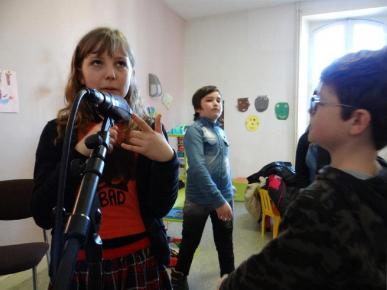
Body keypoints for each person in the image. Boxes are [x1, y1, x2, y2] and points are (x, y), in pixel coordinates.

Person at [218, 47, 387, 290]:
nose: (310, 109)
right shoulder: (380, 177)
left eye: (318, 101)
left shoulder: (320, 204)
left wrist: (226, 284)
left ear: (357, 120)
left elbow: (267, 273)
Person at [31, 27, 179, 290]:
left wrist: (167, 159)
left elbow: (159, 208)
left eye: (121, 64)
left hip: (142, 257)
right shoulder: (58, 132)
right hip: (79, 264)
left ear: (132, 73)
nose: (111, 74)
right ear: (80, 71)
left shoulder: (147, 131)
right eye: (97, 62)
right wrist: (77, 154)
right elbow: (43, 213)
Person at [171, 85, 235, 290]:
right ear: (198, 107)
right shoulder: (194, 130)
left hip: (224, 196)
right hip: (199, 199)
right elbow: (197, 168)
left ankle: (229, 281)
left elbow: (222, 163)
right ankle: (179, 277)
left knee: (225, 243)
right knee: (190, 242)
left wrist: (228, 186)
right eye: (210, 99)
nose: (216, 103)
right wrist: (219, 200)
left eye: (219, 99)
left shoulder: (220, 131)